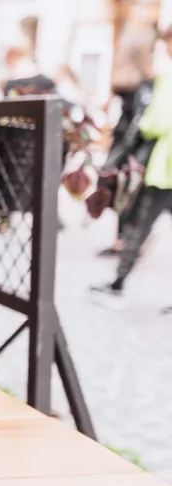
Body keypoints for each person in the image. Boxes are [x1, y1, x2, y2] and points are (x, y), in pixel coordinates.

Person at [91, 27, 172, 311]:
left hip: (164, 169)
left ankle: (117, 285)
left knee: (138, 226)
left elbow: (155, 124)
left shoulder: (166, 81)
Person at [98, 34, 158, 257]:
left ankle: (128, 240)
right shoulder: (146, 83)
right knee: (127, 191)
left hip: (128, 146)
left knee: (126, 191)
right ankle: (126, 240)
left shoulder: (134, 83)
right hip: (133, 146)